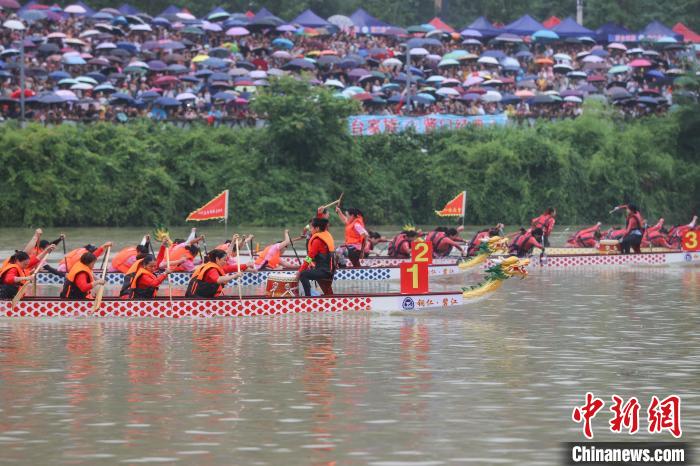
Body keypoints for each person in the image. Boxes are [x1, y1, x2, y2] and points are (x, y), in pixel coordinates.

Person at [298, 218, 335, 296]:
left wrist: (300, 271)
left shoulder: (317, 241)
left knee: (303, 274)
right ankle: (329, 297)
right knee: (328, 292)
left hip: (324, 271)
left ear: (317, 228)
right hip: (329, 270)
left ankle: (308, 298)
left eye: (311, 228)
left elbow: (309, 257)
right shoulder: (326, 234)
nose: (310, 230)